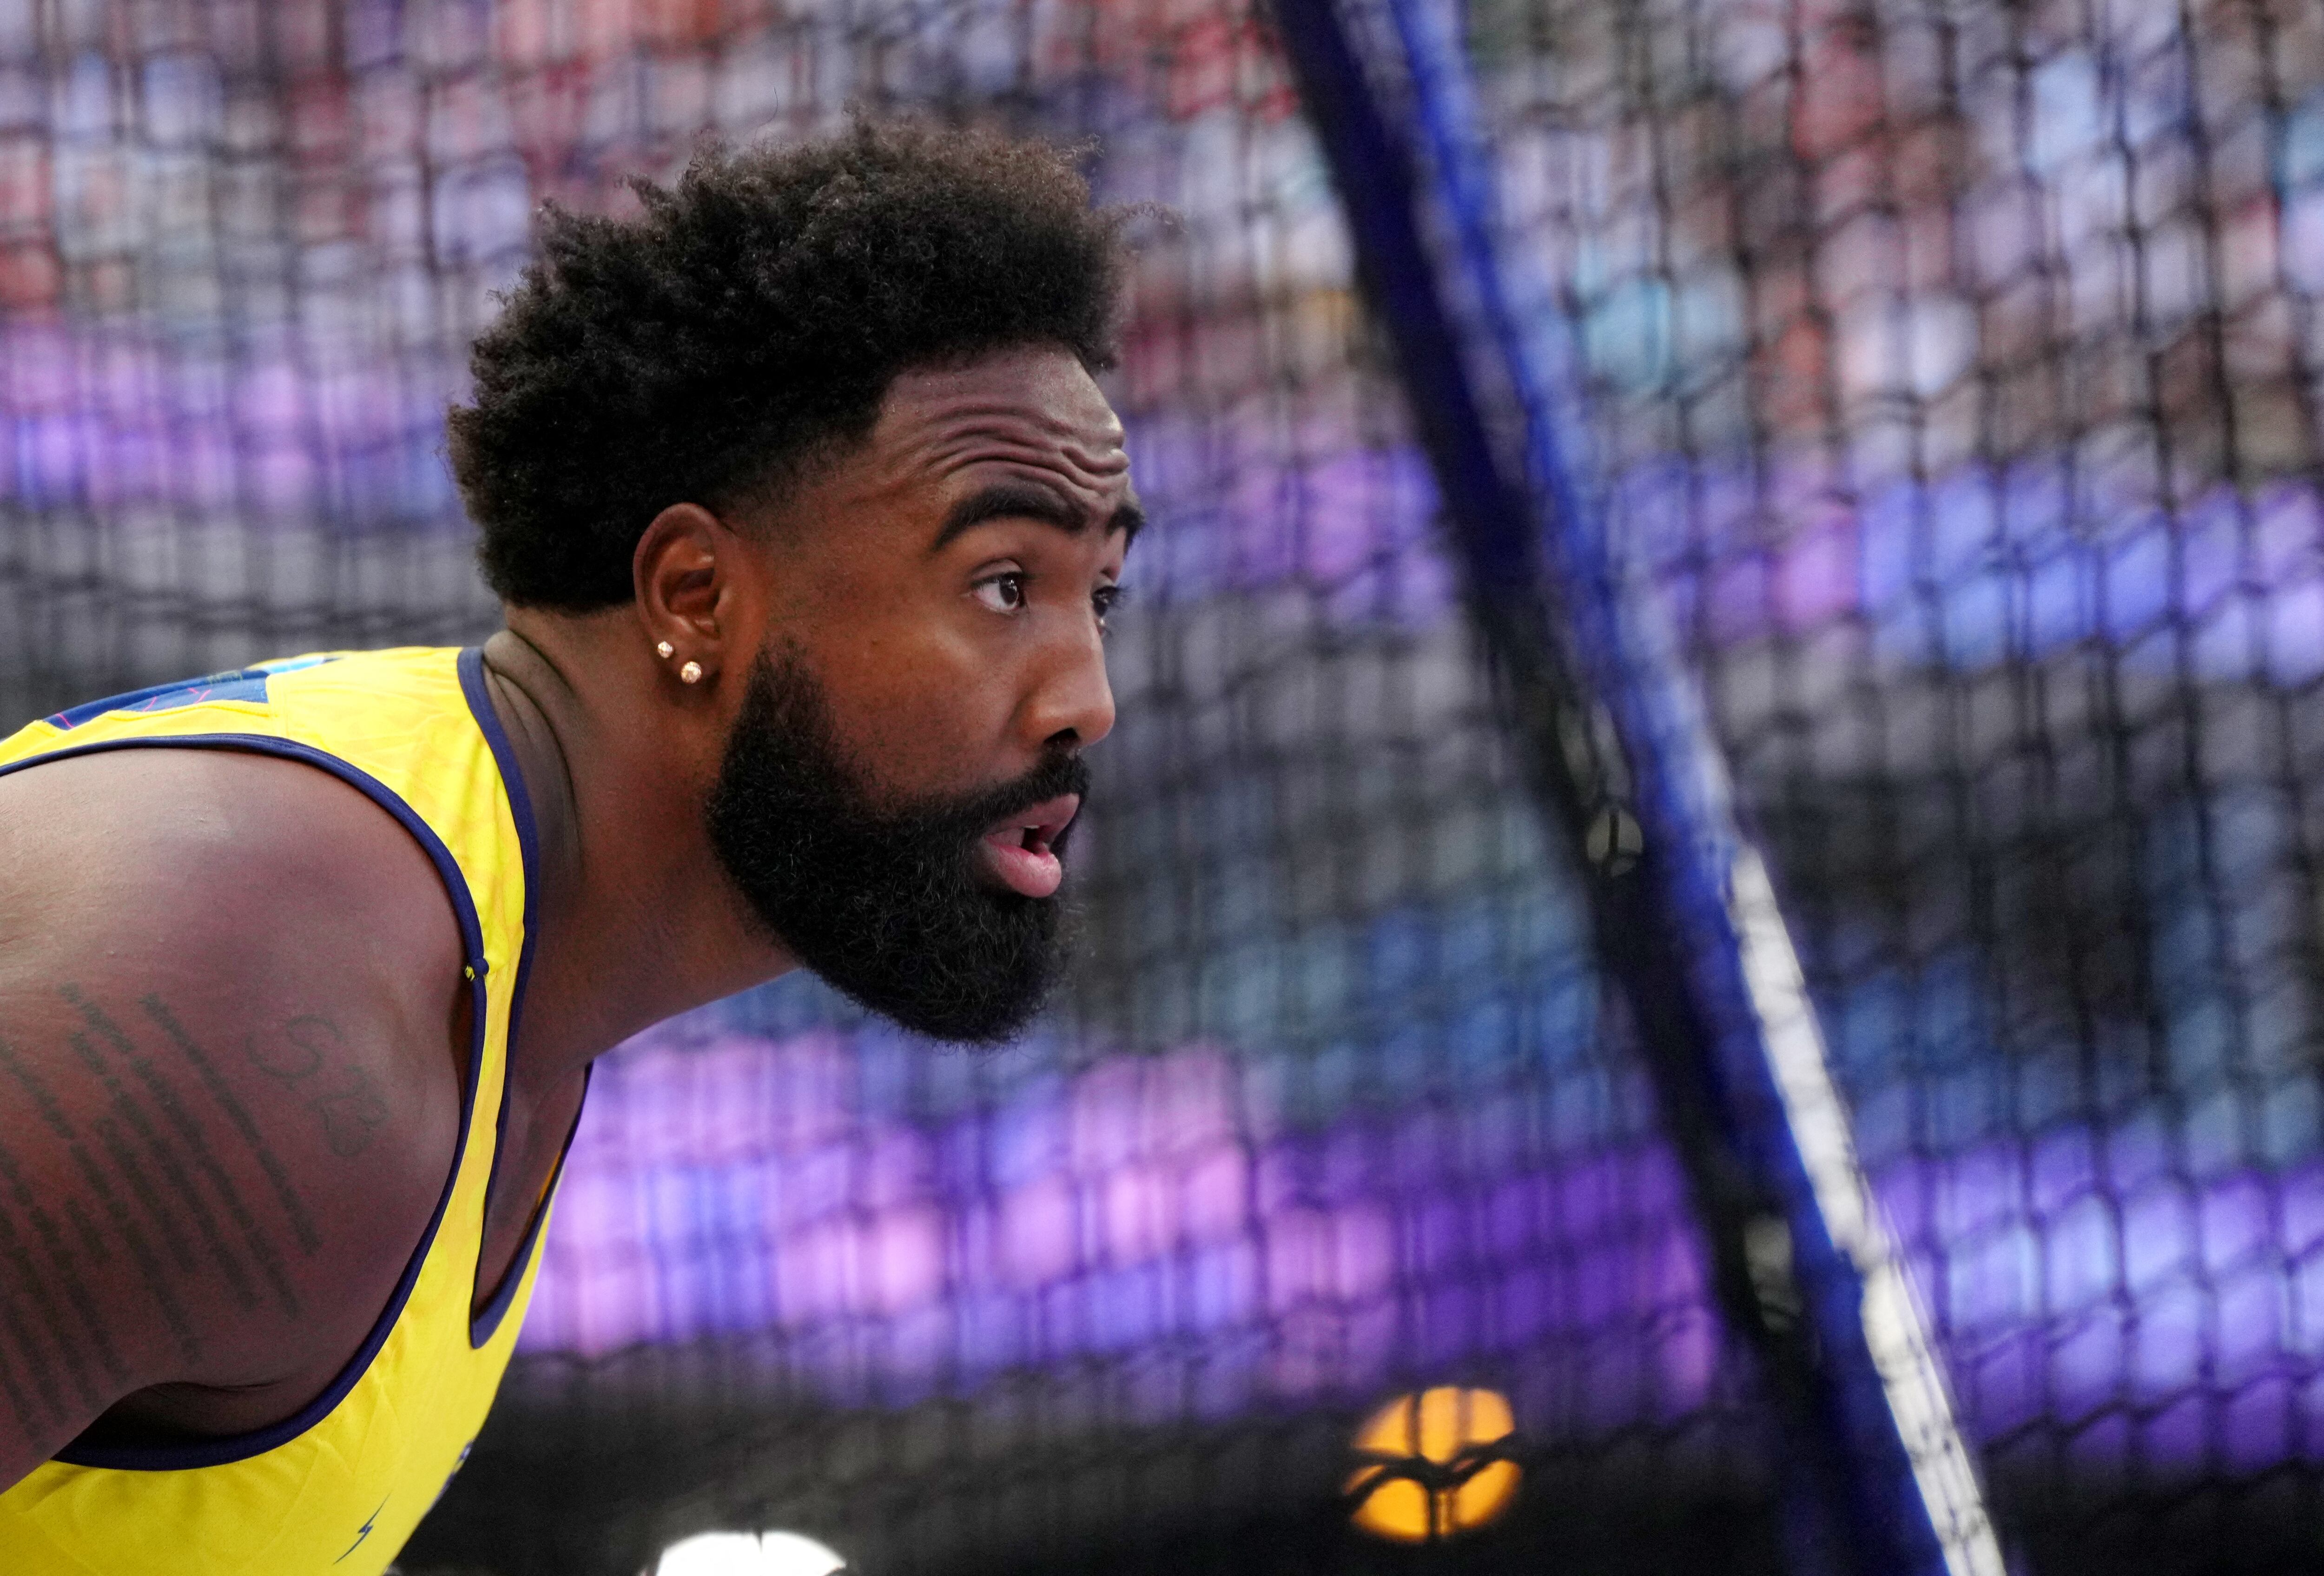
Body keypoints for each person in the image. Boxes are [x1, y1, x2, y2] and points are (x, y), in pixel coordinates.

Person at [0, 119, 1139, 1573]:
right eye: (999, 583)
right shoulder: (258, 1008)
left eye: (1097, 597)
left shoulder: (511, 969)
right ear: (696, 596)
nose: (1085, 701)